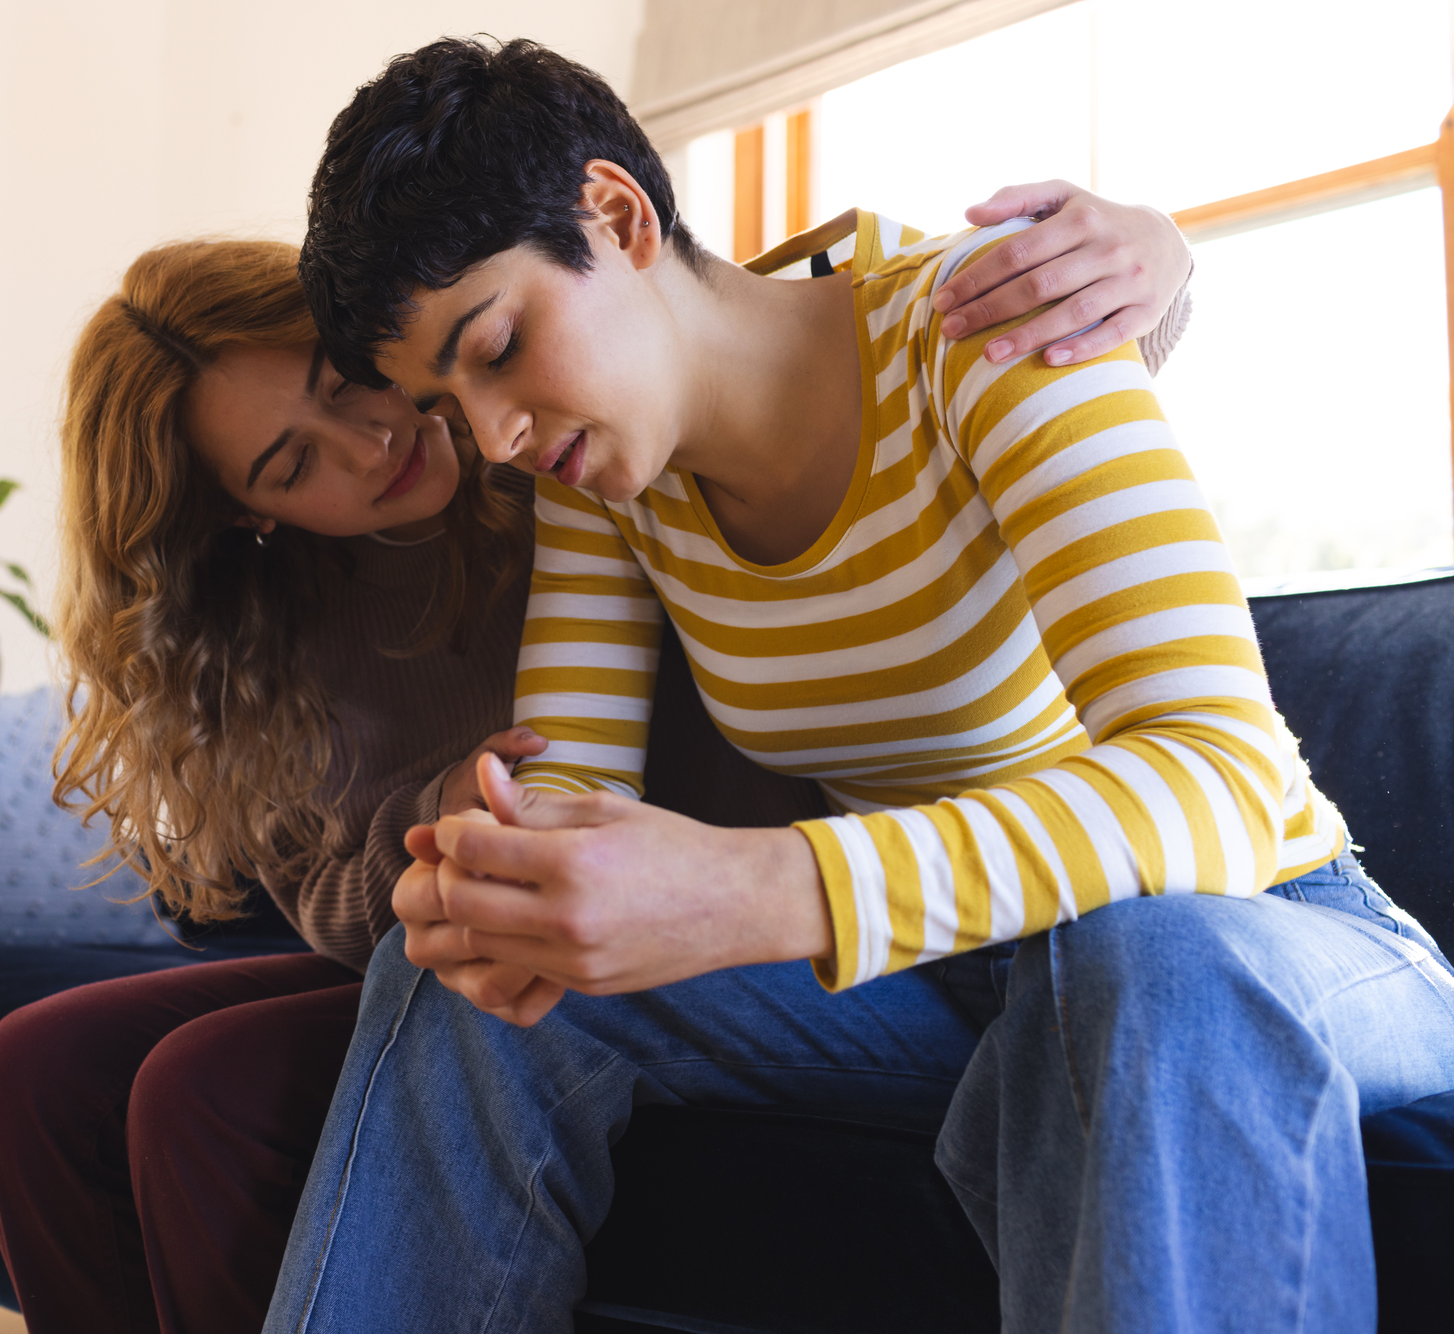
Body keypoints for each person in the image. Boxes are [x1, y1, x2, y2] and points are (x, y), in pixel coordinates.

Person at [263, 37, 1454, 1334]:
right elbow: (566, 795)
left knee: (1145, 956)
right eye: (448, 399)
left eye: (494, 346)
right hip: (961, 979)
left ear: (617, 216)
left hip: (1259, 926)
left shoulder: (978, 331)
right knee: (479, 970)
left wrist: (763, 888)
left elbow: (1223, 780)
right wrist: (501, 871)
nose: (491, 436)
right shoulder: (606, 475)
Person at [0, 182, 1197, 1329]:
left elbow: (809, 342)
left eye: (349, 381)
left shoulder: (574, 431)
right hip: (488, 915)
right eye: (291, 463)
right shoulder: (280, 627)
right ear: (249, 512)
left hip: (728, 898)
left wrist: (1159, 253)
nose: (365, 445)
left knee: (204, 1086)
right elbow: (327, 896)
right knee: (39, 1061)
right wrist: (434, 824)